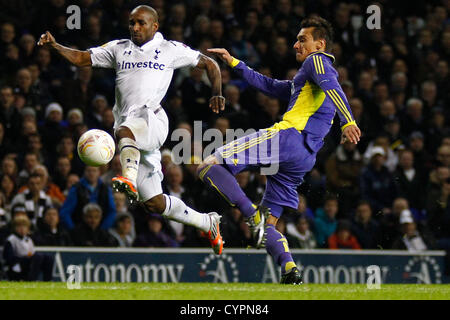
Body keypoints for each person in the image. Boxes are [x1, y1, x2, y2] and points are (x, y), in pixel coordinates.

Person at [37, 5, 225, 254]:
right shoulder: (118, 48)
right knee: (154, 204)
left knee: (124, 132)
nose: (135, 28)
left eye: (141, 23)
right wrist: (56, 46)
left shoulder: (170, 49)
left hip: (152, 120)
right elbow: (83, 58)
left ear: (154, 26)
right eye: (132, 23)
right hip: (133, 132)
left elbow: (209, 63)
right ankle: (207, 222)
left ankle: (128, 176)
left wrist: (217, 92)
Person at [198, 17, 361, 284]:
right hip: (305, 157)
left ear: (319, 44)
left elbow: (335, 87)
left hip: (288, 138)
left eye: (302, 39)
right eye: (296, 39)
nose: (296, 44)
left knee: (208, 165)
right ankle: (289, 270)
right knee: (268, 225)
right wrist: (234, 62)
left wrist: (348, 121)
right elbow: (271, 86)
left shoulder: (317, 61)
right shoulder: (306, 81)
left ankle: (250, 214)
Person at [3, 215, 53, 281]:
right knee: (38, 257)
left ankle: (48, 281)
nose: (22, 229)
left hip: (29, 262)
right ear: (14, 228)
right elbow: (9, 258)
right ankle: (31, 280)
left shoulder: (28, 239)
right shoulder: (11, 240)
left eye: (24, 226)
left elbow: (32, 253)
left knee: (48, 258)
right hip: (17, 266)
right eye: (19, 226)